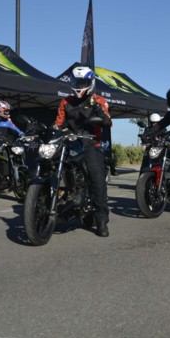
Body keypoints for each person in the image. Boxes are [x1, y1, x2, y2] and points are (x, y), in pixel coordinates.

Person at [54, 66, 113, 237]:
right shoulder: (66, 102)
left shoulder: (98, 100)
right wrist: (54, 131)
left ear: (91, 82)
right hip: (70, 142)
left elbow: (108, 122)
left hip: (90, 143)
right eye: (76, 82)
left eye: (82, 82)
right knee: (48, 161)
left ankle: (101, 220)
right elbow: (58, 123)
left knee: (97, 178)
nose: (79, 85)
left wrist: (97, 109)